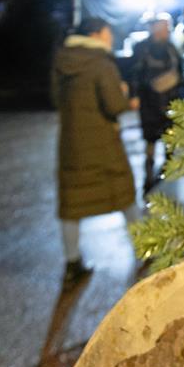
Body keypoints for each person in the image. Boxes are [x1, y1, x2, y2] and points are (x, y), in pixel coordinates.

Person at [51, 17, 143, 288]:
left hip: (71, 142)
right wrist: (127, 97)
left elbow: (56, 99)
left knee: (72, 203)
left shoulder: (61, 61)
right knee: (124, 195)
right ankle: (146, 248)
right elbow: (114, 105)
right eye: (108, 32)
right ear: (97, 34)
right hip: (102, 141)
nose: (111, 38)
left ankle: (72, 263)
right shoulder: (102, 63)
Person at [130, 14, 182, 194]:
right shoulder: (142, 48)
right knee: (150, 140)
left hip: (170, 102)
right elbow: (135, 74)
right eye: (164, 27)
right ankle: (148, 179)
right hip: (149, 103)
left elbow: (181, 70)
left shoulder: (171, 48)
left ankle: (168, 174)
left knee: (170, 139)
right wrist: (135, 95)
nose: (168, 30)